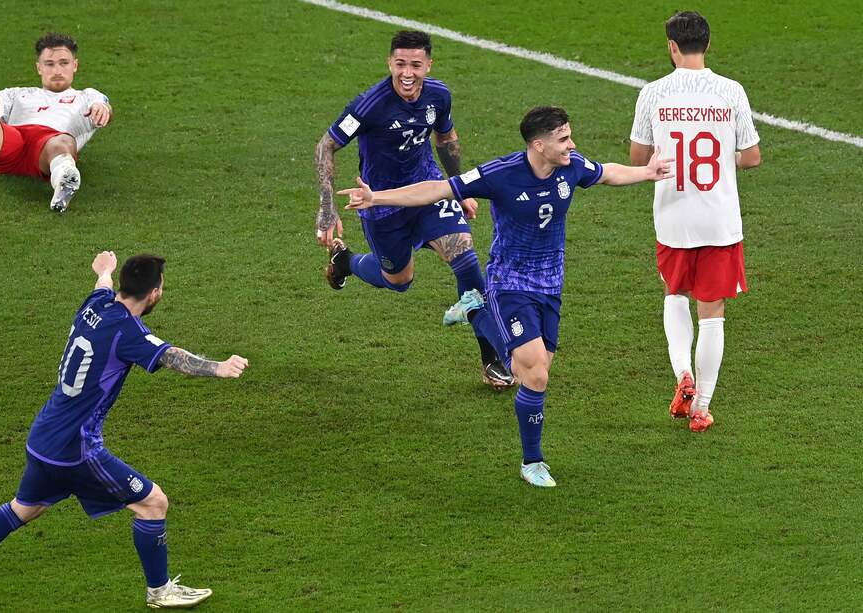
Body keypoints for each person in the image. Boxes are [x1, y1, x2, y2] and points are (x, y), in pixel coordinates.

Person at [339, 106, 673, 487]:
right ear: (538, 144)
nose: (572, 144)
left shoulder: (571, 166)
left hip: (551, 286)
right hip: (510, 283)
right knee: (536, 373)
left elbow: (607, 172)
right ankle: (533, 462)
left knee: (529, 373)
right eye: (563, 138)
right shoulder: (501, 174)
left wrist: (646, 172)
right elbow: (438, 189)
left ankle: (474, 311)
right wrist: (377, 198)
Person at [0, 251, 248, 608]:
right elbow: (171, 356)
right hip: (77, 449)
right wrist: (218, 368)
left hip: (43, 438)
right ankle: (159, 591)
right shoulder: (128, 331)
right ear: (154, 294)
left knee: (25, 507)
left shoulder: (96, 304)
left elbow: (102, 285)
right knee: (153, 503)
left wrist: (104, 270)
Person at [314, 30, 513, 389]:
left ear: (428, 65)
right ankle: (345, 262)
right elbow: (326, 145)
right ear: (390, 62)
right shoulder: (369, 105)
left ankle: (492, 357)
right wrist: (327, 207)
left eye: (416, 65)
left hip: (428, 192)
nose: (408, 73)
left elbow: (446, 138)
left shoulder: (439, 96)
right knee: (399, 281)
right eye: (401, 64)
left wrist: (459, 187)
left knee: (466, 260)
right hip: (383, 206)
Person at [629, 11, 761, 432]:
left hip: (673, 216)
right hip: (719, 219)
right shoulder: (730, 91)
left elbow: (637, 159)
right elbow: (752, 156)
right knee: (713, 311)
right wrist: (727, 157)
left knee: (674, 294)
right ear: (708, 44)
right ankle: (701, 406)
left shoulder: (653, 93)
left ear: (671, 46)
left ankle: (682, 372)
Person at [0, 32, 113, 213]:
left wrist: (103, 110)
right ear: (39, 67)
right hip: (12, 142)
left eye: (64, 63)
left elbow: (104, 107)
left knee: (62, 141)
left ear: (75, 65)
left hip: (48, 148)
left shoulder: (87, 96)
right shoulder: (19, 94)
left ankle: (64, 181)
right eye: (49, 64)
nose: (57, 71)